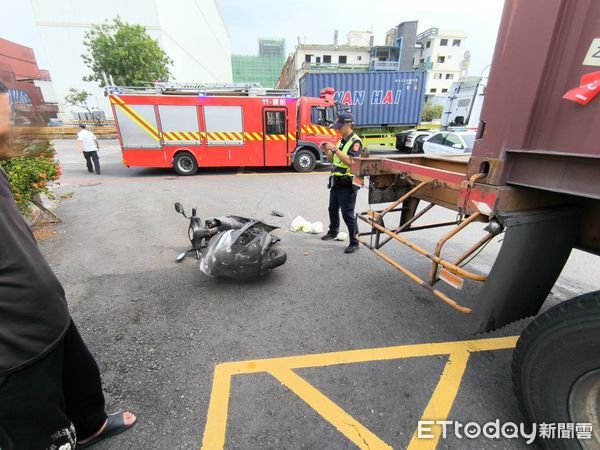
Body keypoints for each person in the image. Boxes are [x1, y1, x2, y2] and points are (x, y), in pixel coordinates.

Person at [0, 81, 136, 449]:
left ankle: (90, 425)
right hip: (15, 345)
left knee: (81, 381)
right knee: (41, 434)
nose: (11, 124)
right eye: (5, 117)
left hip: (48, 316)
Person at [320, 112, 364, 254]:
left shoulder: (356, 142)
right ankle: (333, 231)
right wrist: (327, 150)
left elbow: (351, 161)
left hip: (348, 183)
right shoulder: (341, 140)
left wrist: (335, 149)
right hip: (337, 181)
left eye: (340, 126)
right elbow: (334, 160)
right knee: (332, 208)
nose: (338, 129)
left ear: (348, 124)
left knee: (347, 213)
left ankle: (355, 242)